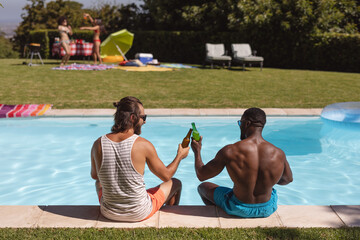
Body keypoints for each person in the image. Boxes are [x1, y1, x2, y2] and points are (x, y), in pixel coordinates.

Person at [90, 96, 189, 222]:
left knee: (99, 183)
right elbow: (166, 176)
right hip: (139, 212)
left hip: (108, 212)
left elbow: (95, 176)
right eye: (144, 117)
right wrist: (180, 155)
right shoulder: (143, 145)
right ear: (133, 118)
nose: (145, 122)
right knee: (175, 183)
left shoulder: (98, 143)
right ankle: (170, 221)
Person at [191, 107, 293, 218]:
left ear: (247, 123)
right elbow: (287, 179)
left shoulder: (230, 151)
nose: (240, 126)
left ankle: (220, 214)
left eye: (240, 123)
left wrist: (197, 151)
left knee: (203, 187)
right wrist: (265, 182)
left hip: (237, 208)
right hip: (267, 209)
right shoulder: (278, 153)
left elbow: (202, 175)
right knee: (271, 192)